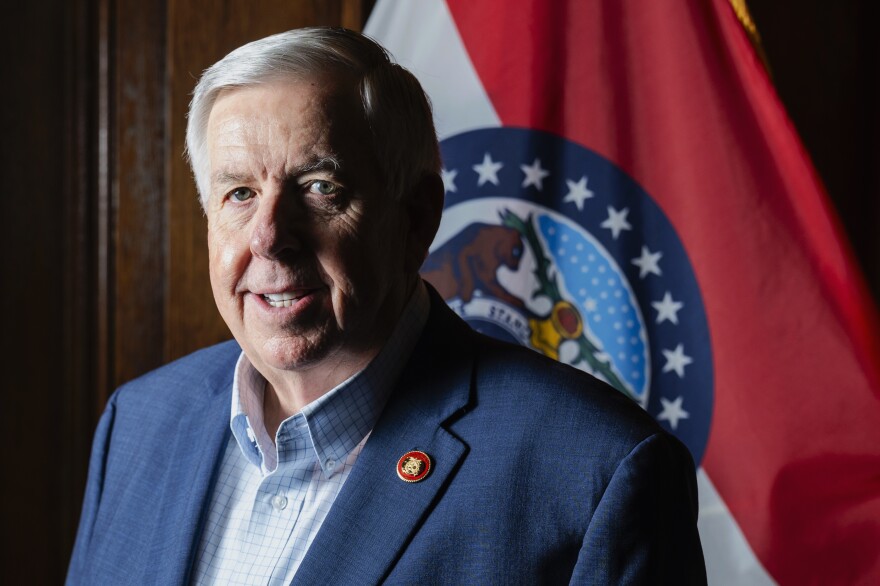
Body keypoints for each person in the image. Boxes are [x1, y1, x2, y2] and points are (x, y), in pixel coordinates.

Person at [67, 27, 706, 584]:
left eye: (319, 188)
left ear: (416, 217)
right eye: (238, 193)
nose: (268, 237)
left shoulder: (594, 475)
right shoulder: (139, 422)